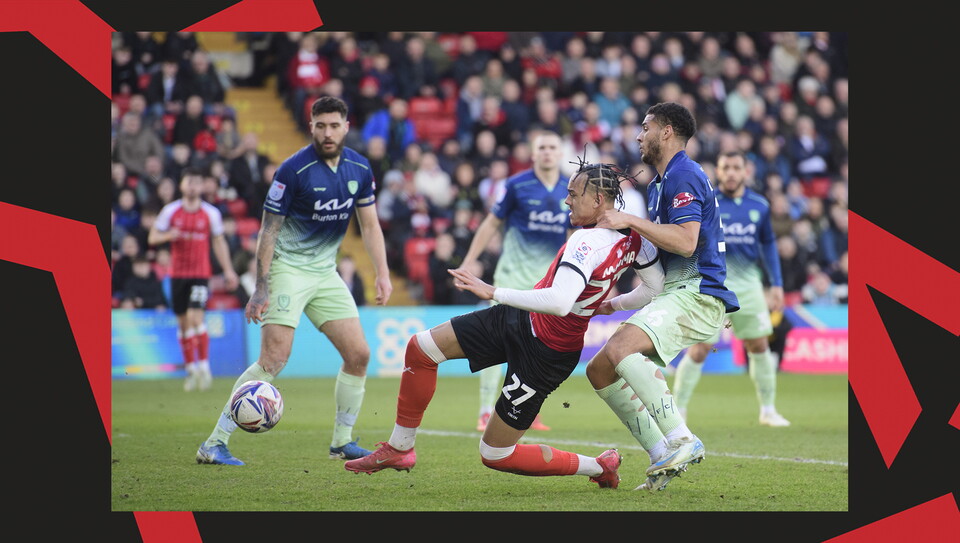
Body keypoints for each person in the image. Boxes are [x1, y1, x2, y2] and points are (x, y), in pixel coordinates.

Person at [344, 162, 664, 490]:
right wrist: (611, 305)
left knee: (494, 453)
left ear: (598, 199)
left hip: (547, 353)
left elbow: (559, 302)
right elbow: (653, 288)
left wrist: (491, 291)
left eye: (572, 194)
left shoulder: (587, 242)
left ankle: (598, 467)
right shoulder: (636, 239)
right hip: (519, 317)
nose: (566, 201)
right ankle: (399, 448)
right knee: (421, 349)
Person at [196, 96, 392, 466]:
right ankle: (214, 442)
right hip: (287, 269)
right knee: (273, 359)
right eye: (321, 126)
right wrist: (261, 285)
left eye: (335, 125)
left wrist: (381, 271)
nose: (328, 132)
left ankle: (341, 441)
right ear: (312, 127)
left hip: (325, 272)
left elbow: (369, 224)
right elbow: (269, 230)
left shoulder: (360, 168)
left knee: (359, 355)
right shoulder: (293, 170)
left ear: (346, 127)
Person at [584, 102, 740, 492]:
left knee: (621, 349)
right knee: (599, 369)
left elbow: (687, 244)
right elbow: (658, 282)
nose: (639, 135)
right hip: (678, 292)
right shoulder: (659, 184)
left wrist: (630, 220)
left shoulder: (682, 175)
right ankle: (661, 454)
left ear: (666, 131)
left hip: (697, 291)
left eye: (645, 127)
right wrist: (613, 304)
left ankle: (682, 439)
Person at [457, 130, 571, 433]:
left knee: (536, 349)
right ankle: (484, 411)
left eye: (552, 147)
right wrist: (470, 260)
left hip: (546, 284)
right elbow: (491, 223)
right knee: (497, 343)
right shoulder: (516, 185)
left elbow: (574, 237)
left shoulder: (570, 188)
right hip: (510, 279)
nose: (547, 152)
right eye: (542, 147)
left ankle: (525, 409)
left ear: (560, 153)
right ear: (533, 154)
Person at [671, 151, 790, 427]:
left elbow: (769, 246)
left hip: (749, 285)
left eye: (737, 167)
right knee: (701, 347)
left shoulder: (759, 205)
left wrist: (777, 284)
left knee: (759, 344)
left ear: (746, 171)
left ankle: (768, 410)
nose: (732, 173)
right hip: (714, 283)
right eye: (726, 168)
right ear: (719, 172)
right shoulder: (707, 203)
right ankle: (679, 410)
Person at [148, 167, 240, 391]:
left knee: (195, 316)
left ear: (202, 186)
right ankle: (191, 369)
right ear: (182, 185)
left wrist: (228, 270)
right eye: (189, 182)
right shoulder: (171, 212)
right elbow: (153, 237)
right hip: (177, 274)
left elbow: (219, 242)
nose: (193, 186)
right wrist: (169, 235)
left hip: (200, 274)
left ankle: (205, 366)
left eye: (197, 182)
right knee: (183, 323)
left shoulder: (211, 213)